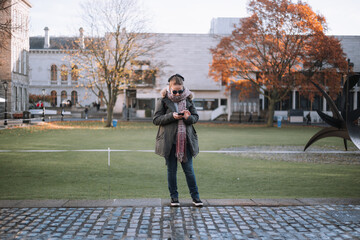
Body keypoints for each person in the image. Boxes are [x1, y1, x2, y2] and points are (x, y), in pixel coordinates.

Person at [153, 74, 203, 207]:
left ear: (183, 88)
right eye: (174, 91)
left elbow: (195, 118)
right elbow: (156, 119)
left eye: (180, 91)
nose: (177, 94)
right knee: (171, 171)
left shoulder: (188, 99)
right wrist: (171, 116)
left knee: (189, 171)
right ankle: (174, 198)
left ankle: (196, 198)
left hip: (186, 142)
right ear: (169, 88)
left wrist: (188, 117)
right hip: (169, 142)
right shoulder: (163, 100)